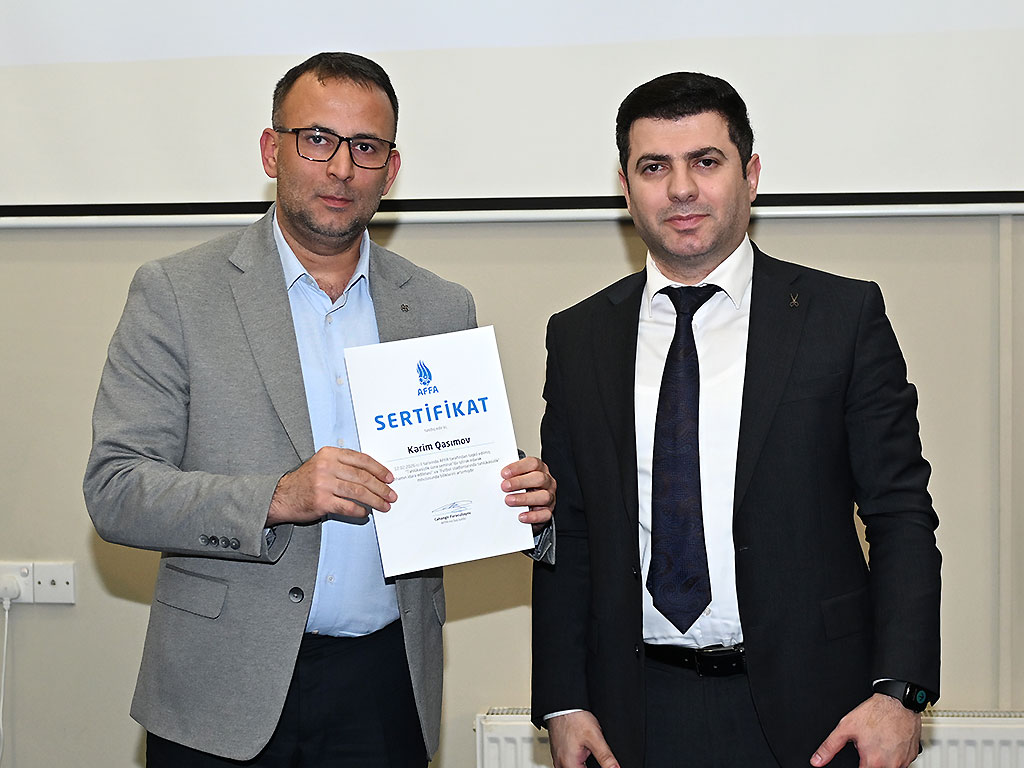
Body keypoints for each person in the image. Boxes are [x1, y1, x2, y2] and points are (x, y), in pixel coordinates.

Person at [84, 51, 555, 767]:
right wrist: (278, 497)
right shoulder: (177, 294)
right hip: (221, 685)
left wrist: (520, 499)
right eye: (318, 140)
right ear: (271, 151)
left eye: (366, 147)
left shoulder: (439, 305)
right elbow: (116, 490)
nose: (341, 168)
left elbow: (454, 473)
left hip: (386, 684)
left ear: (390, 172)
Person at [531, 72, 940, 768]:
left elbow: (900, 513)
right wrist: (563, 700)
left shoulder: (841, 318)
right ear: (625, 188)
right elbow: (568, 531)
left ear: (750, 175)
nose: (681, 189)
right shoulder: (579, 337)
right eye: (654, 167)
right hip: (634, 713)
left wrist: (900, 693)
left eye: (706, 161)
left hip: (818, 713)